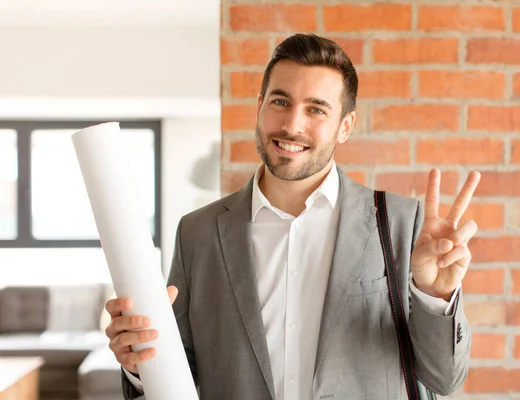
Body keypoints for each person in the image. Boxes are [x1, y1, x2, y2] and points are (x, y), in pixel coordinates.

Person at [104, 33, 479, 400]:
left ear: (345, 126)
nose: (292, 125)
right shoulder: (197, 232)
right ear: (259, 106)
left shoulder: (398, 221)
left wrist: (436, 296)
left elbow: (444, 380)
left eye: (316, 109)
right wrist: (140, 364)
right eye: (280, 101)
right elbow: (178, 371)